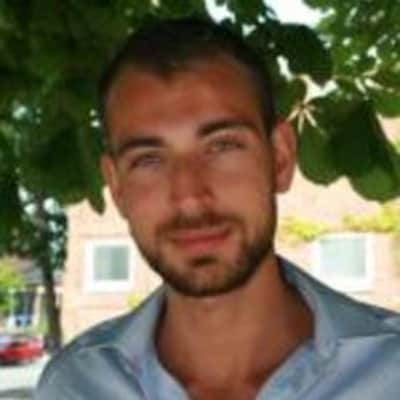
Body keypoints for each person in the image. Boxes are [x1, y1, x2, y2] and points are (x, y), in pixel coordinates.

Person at [35, 16, 400, 400]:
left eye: (222, 146)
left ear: (280, 158)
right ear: (116, 186)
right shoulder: (74, 387)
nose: (190, 196)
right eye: (148, 159)